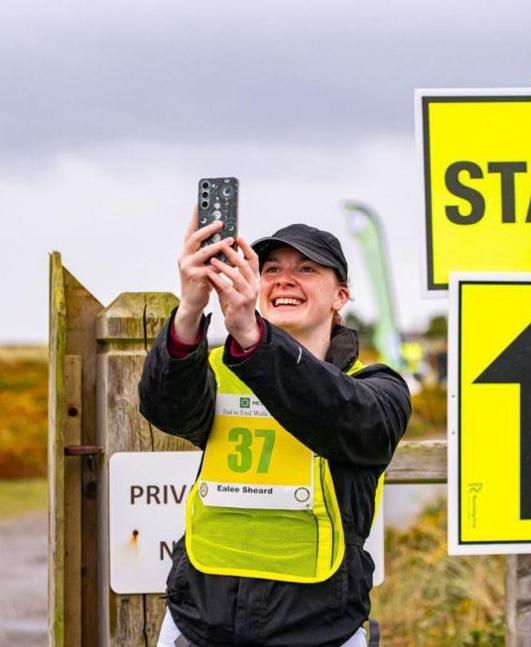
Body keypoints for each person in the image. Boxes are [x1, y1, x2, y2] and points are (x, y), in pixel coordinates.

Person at [139, 215, 412, 647]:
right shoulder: (216, 370)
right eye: (271, 270)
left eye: (306, 269)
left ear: (341, 295)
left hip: (319, 632)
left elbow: (343, 416)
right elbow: (164, 408)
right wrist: (191, 309)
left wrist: (251, 334)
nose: (285, 281)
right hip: (200, 626)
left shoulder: (378, 389)